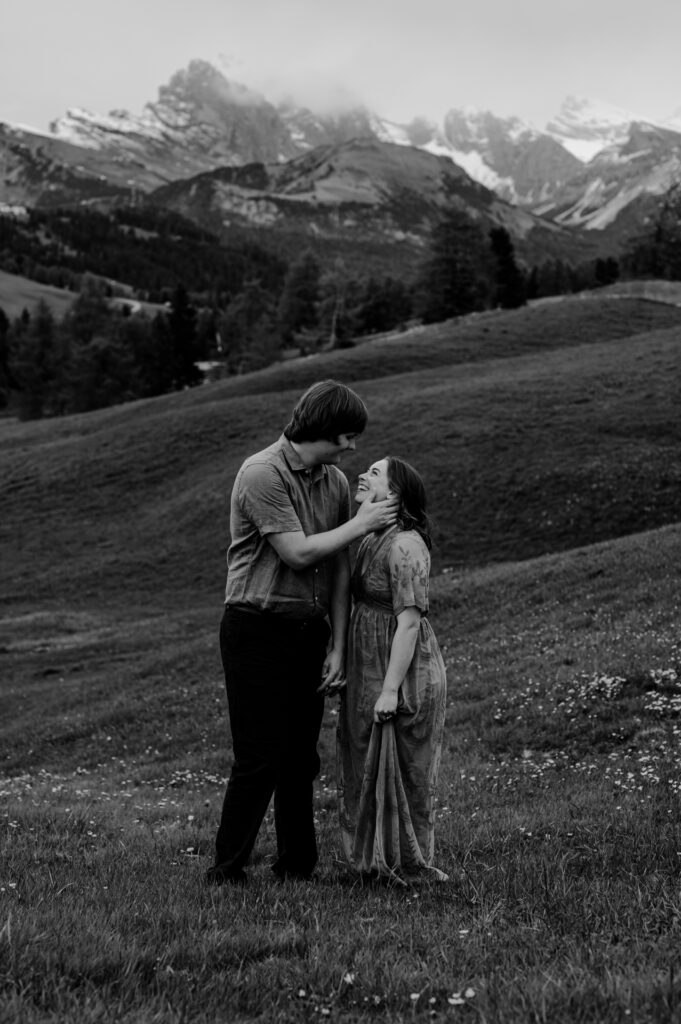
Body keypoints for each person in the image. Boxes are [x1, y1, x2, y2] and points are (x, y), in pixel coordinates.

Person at [207, 380, 398, 886]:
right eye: (347, 436)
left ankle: (296, 866)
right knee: (258, 755)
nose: (352, 448)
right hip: (255, 626)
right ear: (324, 429)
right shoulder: (261, 473)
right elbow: (297, 552)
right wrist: (363, 523)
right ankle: (226, 871)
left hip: (308, 630)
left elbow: (336, 565)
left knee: (299, 757)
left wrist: (337, 643)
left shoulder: (333, 481)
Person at [336, 456, 448, 883]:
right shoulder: (371, 537)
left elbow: (408, 622)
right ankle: (368, 860)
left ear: (396, 495)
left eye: (375, 473)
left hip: (401, 668)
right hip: (369, 661)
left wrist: (389, 690)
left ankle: (403, 860)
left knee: (404, 765)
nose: (363, 475)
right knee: (363, 756)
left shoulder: (405, 544)